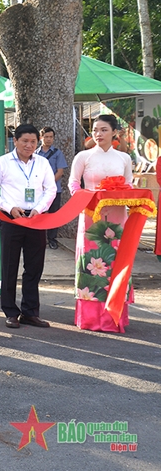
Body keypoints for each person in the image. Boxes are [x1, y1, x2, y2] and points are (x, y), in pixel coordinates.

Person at [0, 123, 56, 329]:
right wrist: (8, 207)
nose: (29, 145)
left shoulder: (42, 163)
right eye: (24, 141)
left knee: (34, 267)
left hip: (36, 218)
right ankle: (10, 312)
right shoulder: (2, 163)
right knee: (9, 265)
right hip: (11, 218)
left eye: (33, 141)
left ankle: (30, 312)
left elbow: (50, 189)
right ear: (14, 141)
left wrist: (40, 208)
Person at [69, 114, 134, 333]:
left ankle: (114, 316)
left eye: (104, 130)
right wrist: (87, 198)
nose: (98, 134)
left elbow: (129, 187)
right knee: (91, 263)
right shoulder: (83, 157)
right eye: (95, 130)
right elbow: (73, 184)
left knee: (115, 262)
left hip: (117, 219)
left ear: (114, 132)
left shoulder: (124, 159)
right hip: (90, 217)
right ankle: (89, 318)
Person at [37, 127, 67, 250]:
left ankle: (52, 239)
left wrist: (47, 184)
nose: (49, 139)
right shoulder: (35, 153)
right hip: (38, 190)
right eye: (46, 137)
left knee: (53, 215)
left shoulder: (57, 153)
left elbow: (60, 172)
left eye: (51, 137)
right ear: (41, 138)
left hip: (54, 190)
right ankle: (39, 239)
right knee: (38, 214)